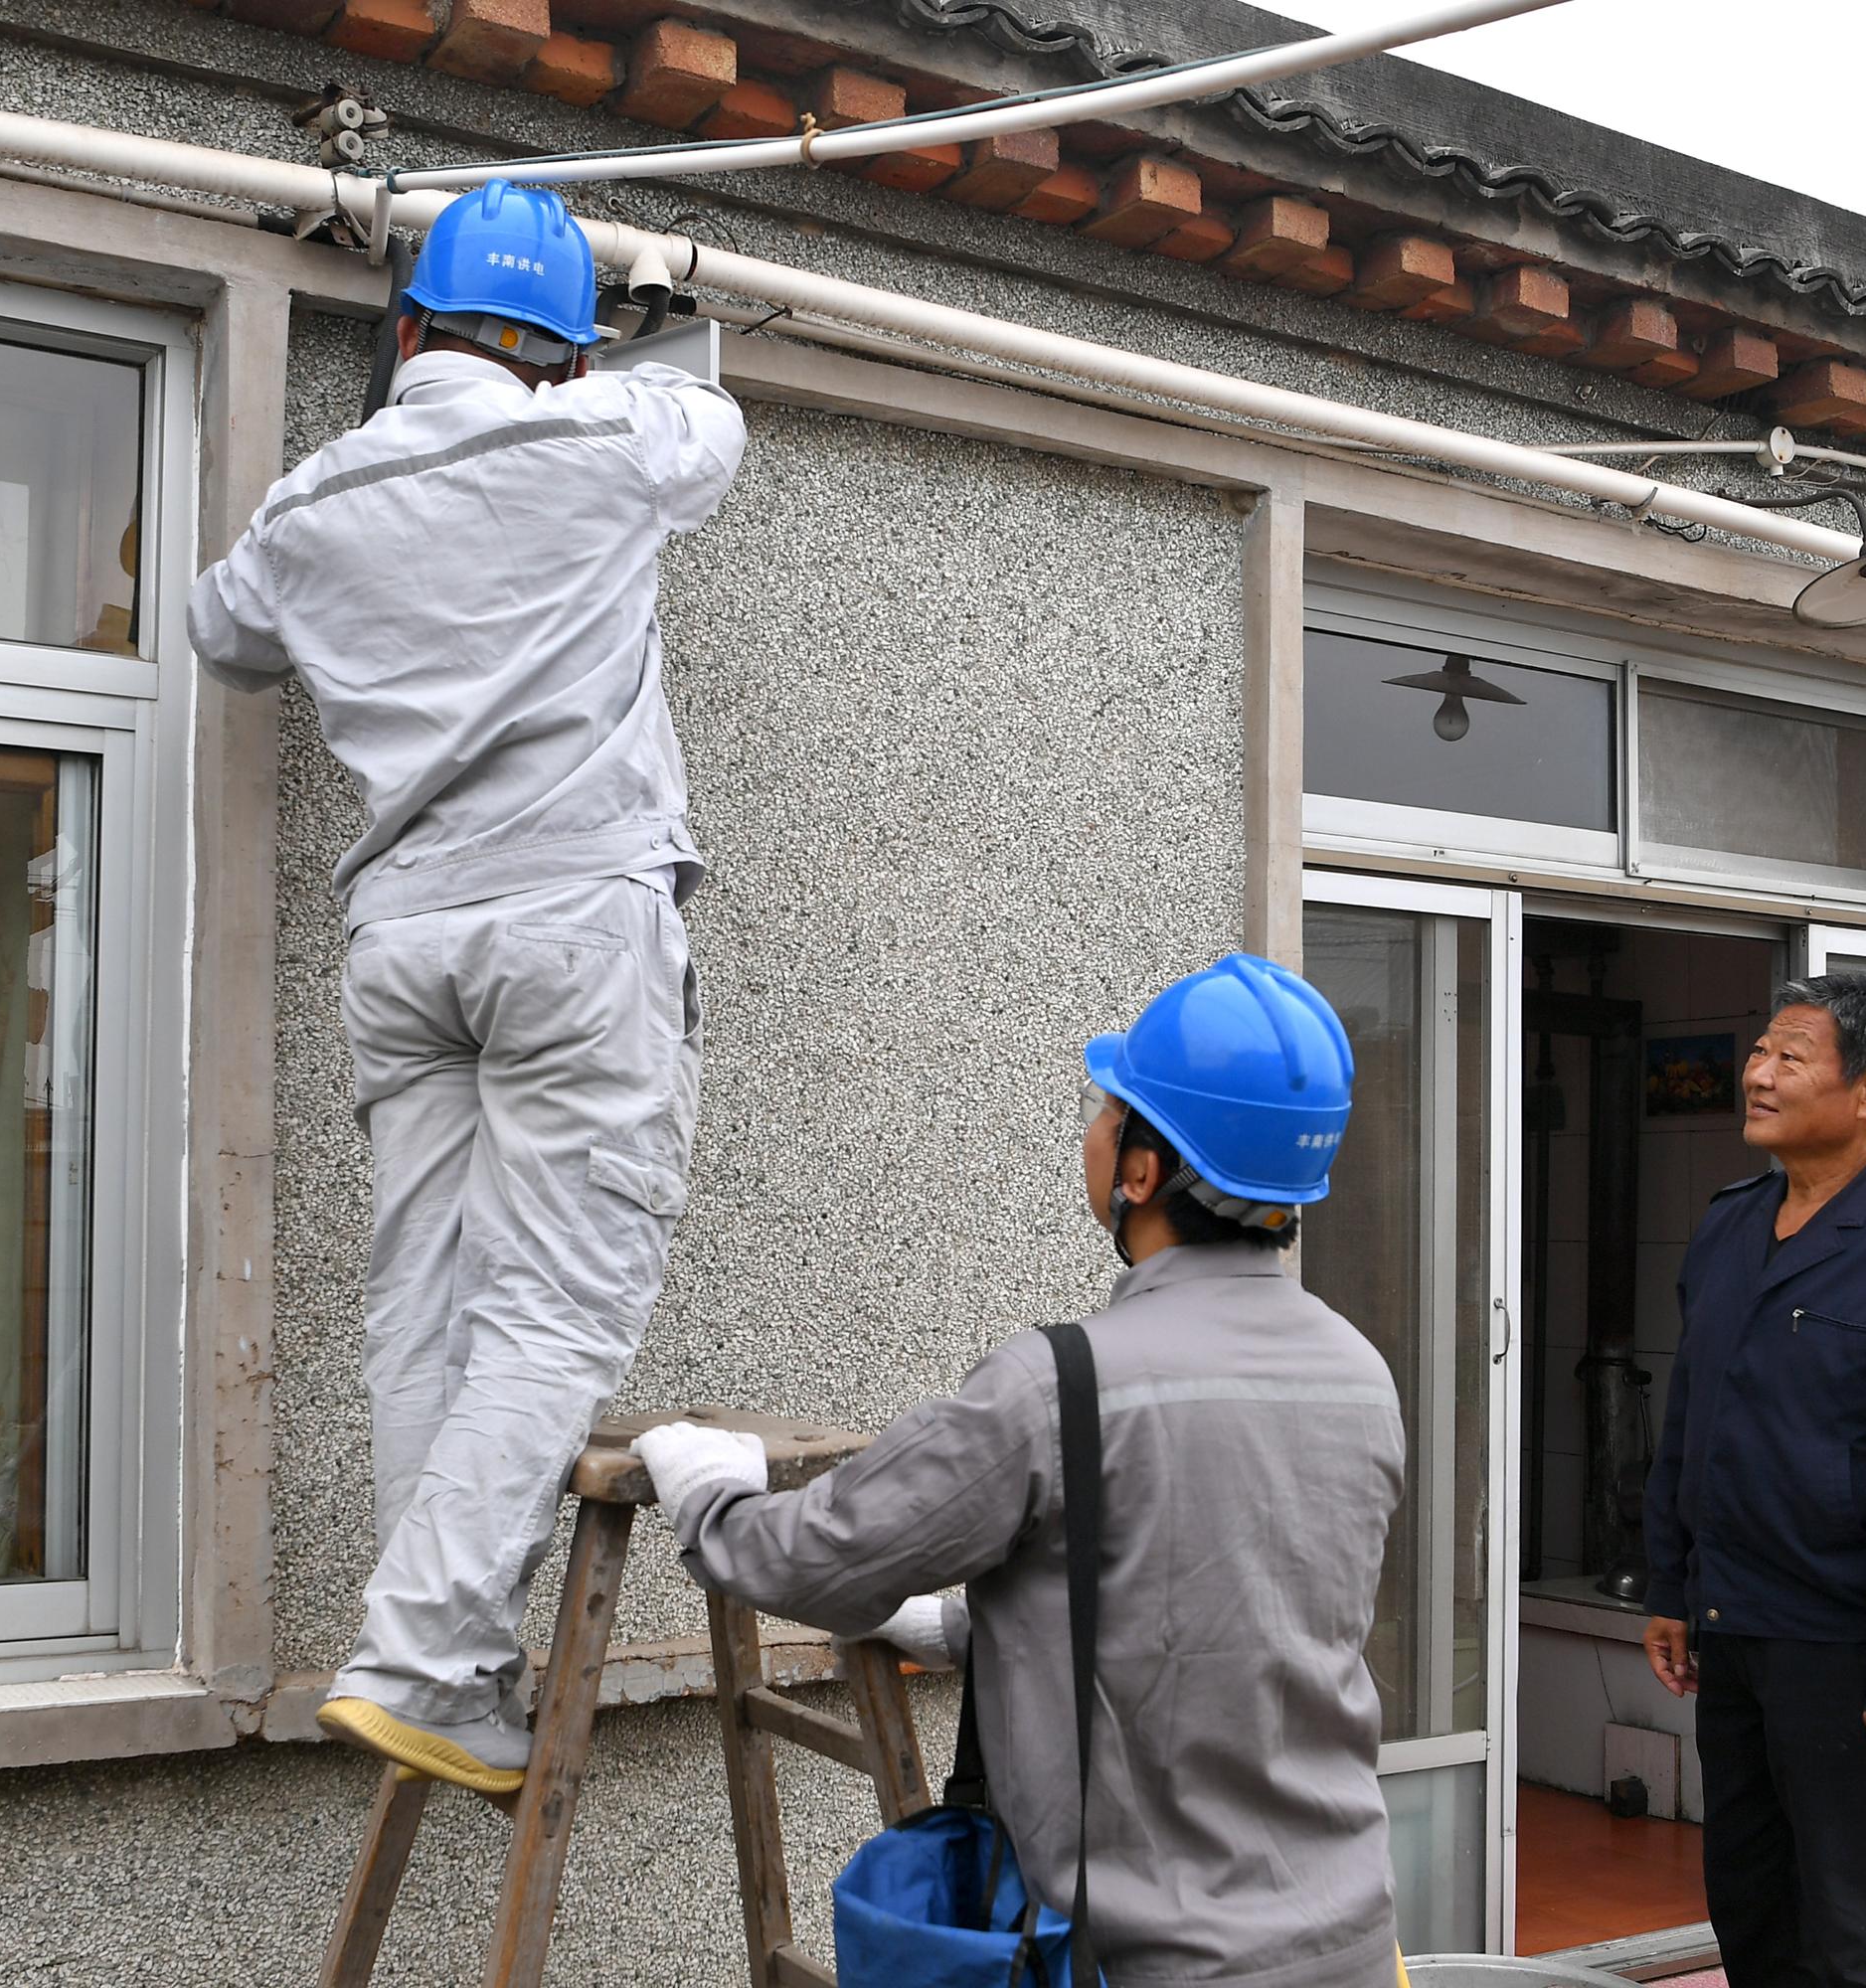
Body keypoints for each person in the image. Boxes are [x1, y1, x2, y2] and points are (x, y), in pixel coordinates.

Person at [188, 178, 746, 1793]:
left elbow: (226, 634)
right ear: (564, 356)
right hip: (573, 917)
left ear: (411, 330)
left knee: (423, 1300)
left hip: (409, 936)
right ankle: (427, 1654)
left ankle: (454, 1670)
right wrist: (628, 348)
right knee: (558, 1304)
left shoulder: (311, 507)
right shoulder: (611, 439)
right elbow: (709, 414)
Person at [630, 955, 1411, 1988]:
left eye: (1110, 1107)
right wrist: (975, 1629)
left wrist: (712, 1499)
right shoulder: (1361, 1377)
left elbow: (824, 1557)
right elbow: (1229, 1615)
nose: (1091, 1126)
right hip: (1358, 1949)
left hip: (1165, 1967)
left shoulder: (1060, 1385)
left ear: (1141, 1170)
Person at [1641, 974, 1866, 1988]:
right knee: (1754, 1899)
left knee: (1859, 1923)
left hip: (1845, 1647)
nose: (1755, 1073)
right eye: (1759, 1050)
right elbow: (1693, 1420)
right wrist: (1672, 1585)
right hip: (1733, 1622)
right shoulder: (1727, 1225)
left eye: (1789, 1056)